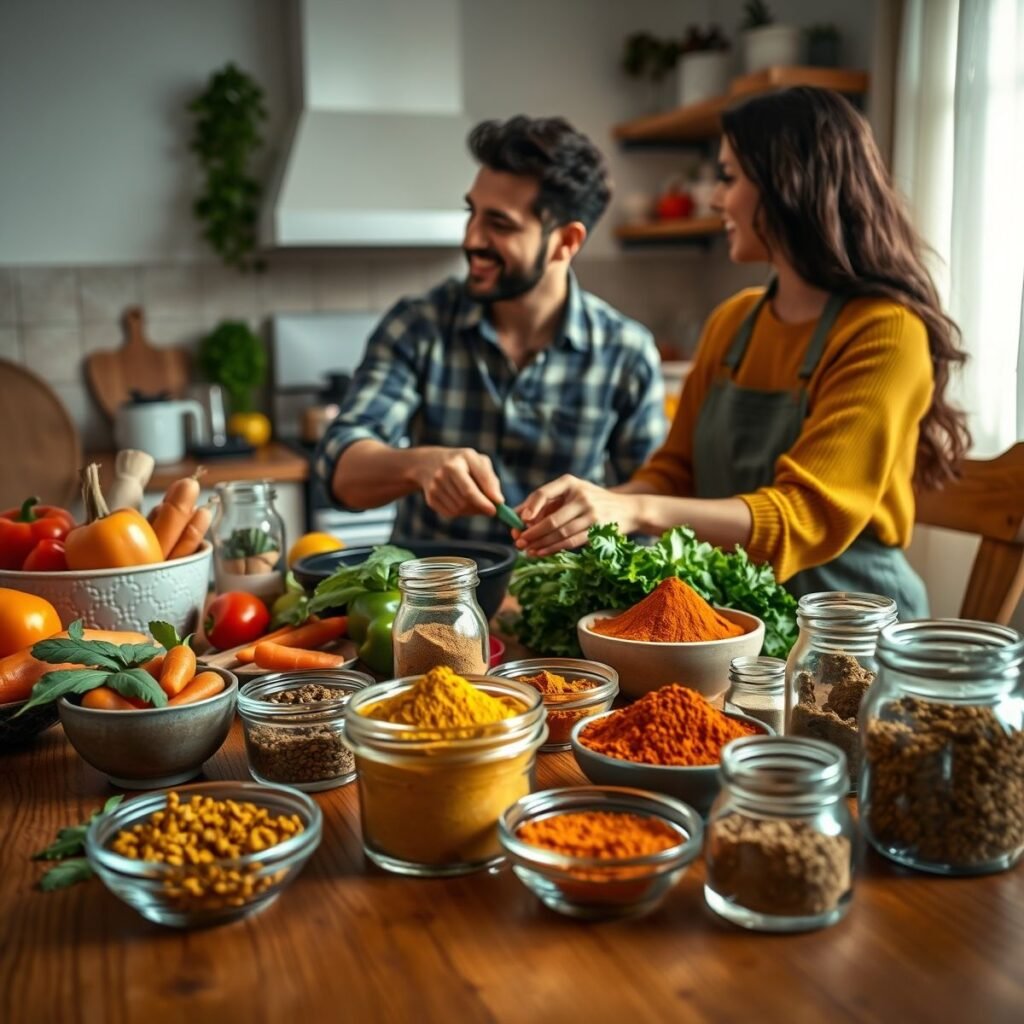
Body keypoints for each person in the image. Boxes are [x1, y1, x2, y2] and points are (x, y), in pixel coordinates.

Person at [515, 87, 971, 617]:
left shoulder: (885, 332)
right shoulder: (734, 321)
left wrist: (634, 508)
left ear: (787, 185)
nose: (714, 199)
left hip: (851, 633)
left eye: (729, 178)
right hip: (739, 626)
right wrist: (596, 506)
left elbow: (804, 516)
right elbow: (675, 473)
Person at [314, 115, 666, 544]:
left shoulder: (625, 352)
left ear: (566, 241)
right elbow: (338, 468)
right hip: (432, 604)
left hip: (560, 604)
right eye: (472, 213)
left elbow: (656, 494)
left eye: (499, 224)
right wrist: (419, 465)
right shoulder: (419, 325)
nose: (471, 239)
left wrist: (608, 509)